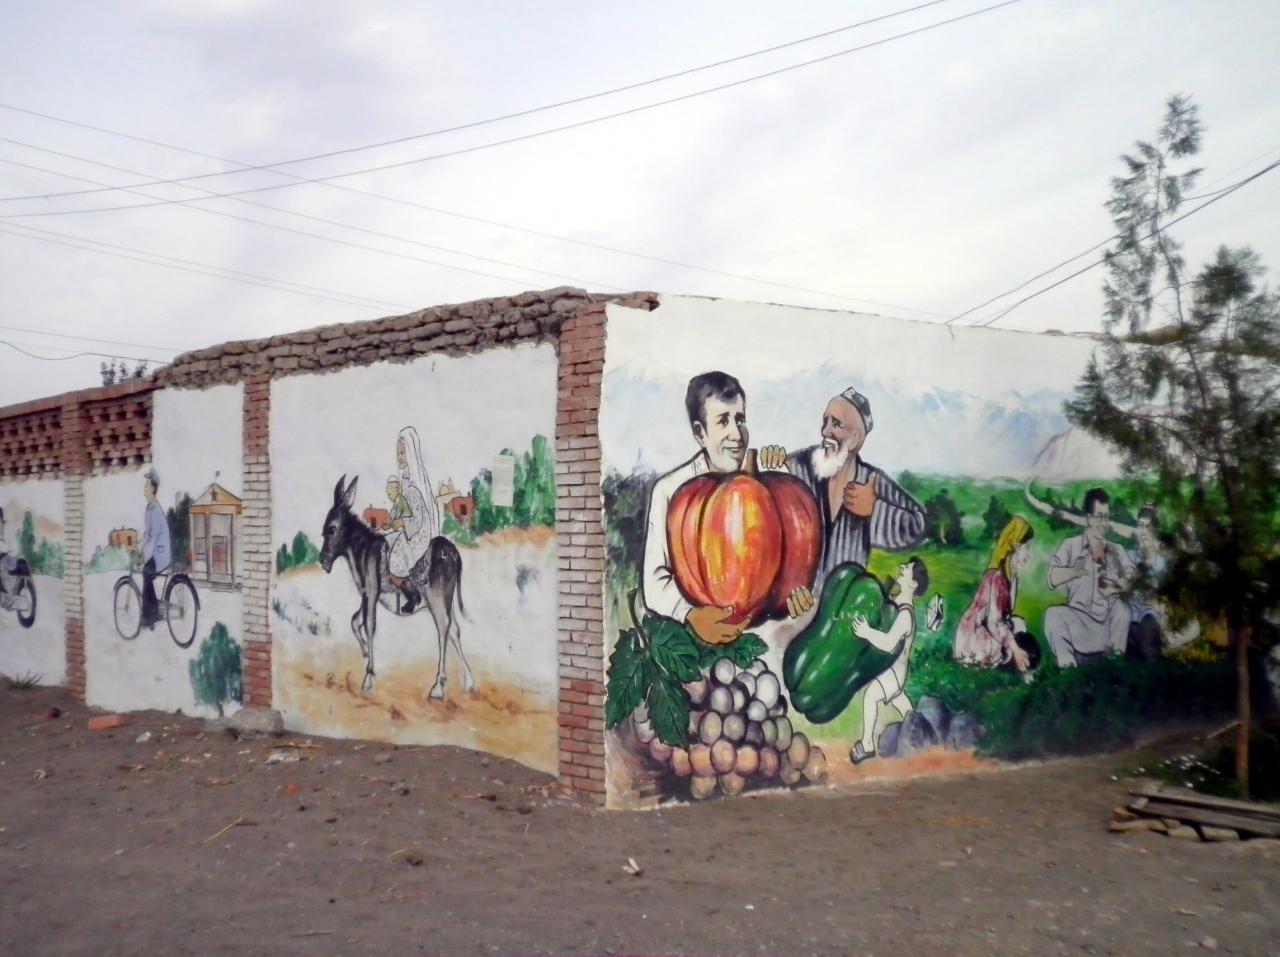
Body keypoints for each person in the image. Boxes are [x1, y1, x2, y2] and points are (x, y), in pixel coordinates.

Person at [760, 387, 925, 591]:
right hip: (794, 600)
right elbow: (760, 502)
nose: (825, 432)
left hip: (843, 602)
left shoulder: (871, 481)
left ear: (854, 439)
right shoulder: (798, 467)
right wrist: (770, 470)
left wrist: (875, 510)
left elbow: (918, 525)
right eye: (825, 422)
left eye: (836, 424)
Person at [643, 371, 756, 645]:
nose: (736, 434)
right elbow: (655, 580)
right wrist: (690, 614)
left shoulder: (761, 480)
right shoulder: (670, 490)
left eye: (740, 420)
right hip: (693, 639)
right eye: (723, 421)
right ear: (700, 433)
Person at [849, 557, 929, 764]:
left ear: (913, 584)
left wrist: (866, 632)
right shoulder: (897, 600)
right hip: (890, 668)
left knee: (871, 695)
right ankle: (919, 729)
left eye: (907, 569)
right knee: (900, 702)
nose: (901, 567)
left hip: (893, 671)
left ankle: (867, 744)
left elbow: (888, 643)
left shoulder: (906, 615)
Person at [1044, 487, 1134, 667]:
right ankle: (1068, 670)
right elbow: (1051, 578)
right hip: (1080, 625)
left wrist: (1115, 587)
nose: (1103, 523)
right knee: (1052, 615)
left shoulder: (1116, 549)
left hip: (1109, 626)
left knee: (1122, 609)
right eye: (1099, 517)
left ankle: (1114, 668)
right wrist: (1074, 571)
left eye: (1106, 517)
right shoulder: (1071, 546)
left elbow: (1135, 580)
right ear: (1089, 518)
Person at [954, 516, 1041, 674]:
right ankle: (1011, 661)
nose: (1030, 554)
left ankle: (1015, 661)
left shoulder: (1012, 577)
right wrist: (1016, 649)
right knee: (1008, 641)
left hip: (991, 629)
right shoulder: (997, 577)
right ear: (1016, 546)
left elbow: (1005, 617)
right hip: (973, 636)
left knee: (1019, 623)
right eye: (1027, 547)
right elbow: (994, 622)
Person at [385, 427, 438, 614]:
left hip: (417, 533)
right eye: (398, 453)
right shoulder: (404, 482)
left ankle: (413, 595)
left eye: (403, 453)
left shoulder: (413, 486)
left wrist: (400, 524)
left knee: (396, 560)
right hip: (409, 531)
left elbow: (416, 519)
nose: (400, 457)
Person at [137, 469, 171, 630]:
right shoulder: (149, 508)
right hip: (155, 552)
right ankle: (153, 612)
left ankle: (149, 616)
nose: (144, 489)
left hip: (161, 553)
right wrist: (137, 548)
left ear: (152, 488)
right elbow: (146, 534)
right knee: (147, 574)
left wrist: (143, 556)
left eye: (146, 486)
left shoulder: (156, 510)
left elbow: (154, 537)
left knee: (146, 572)